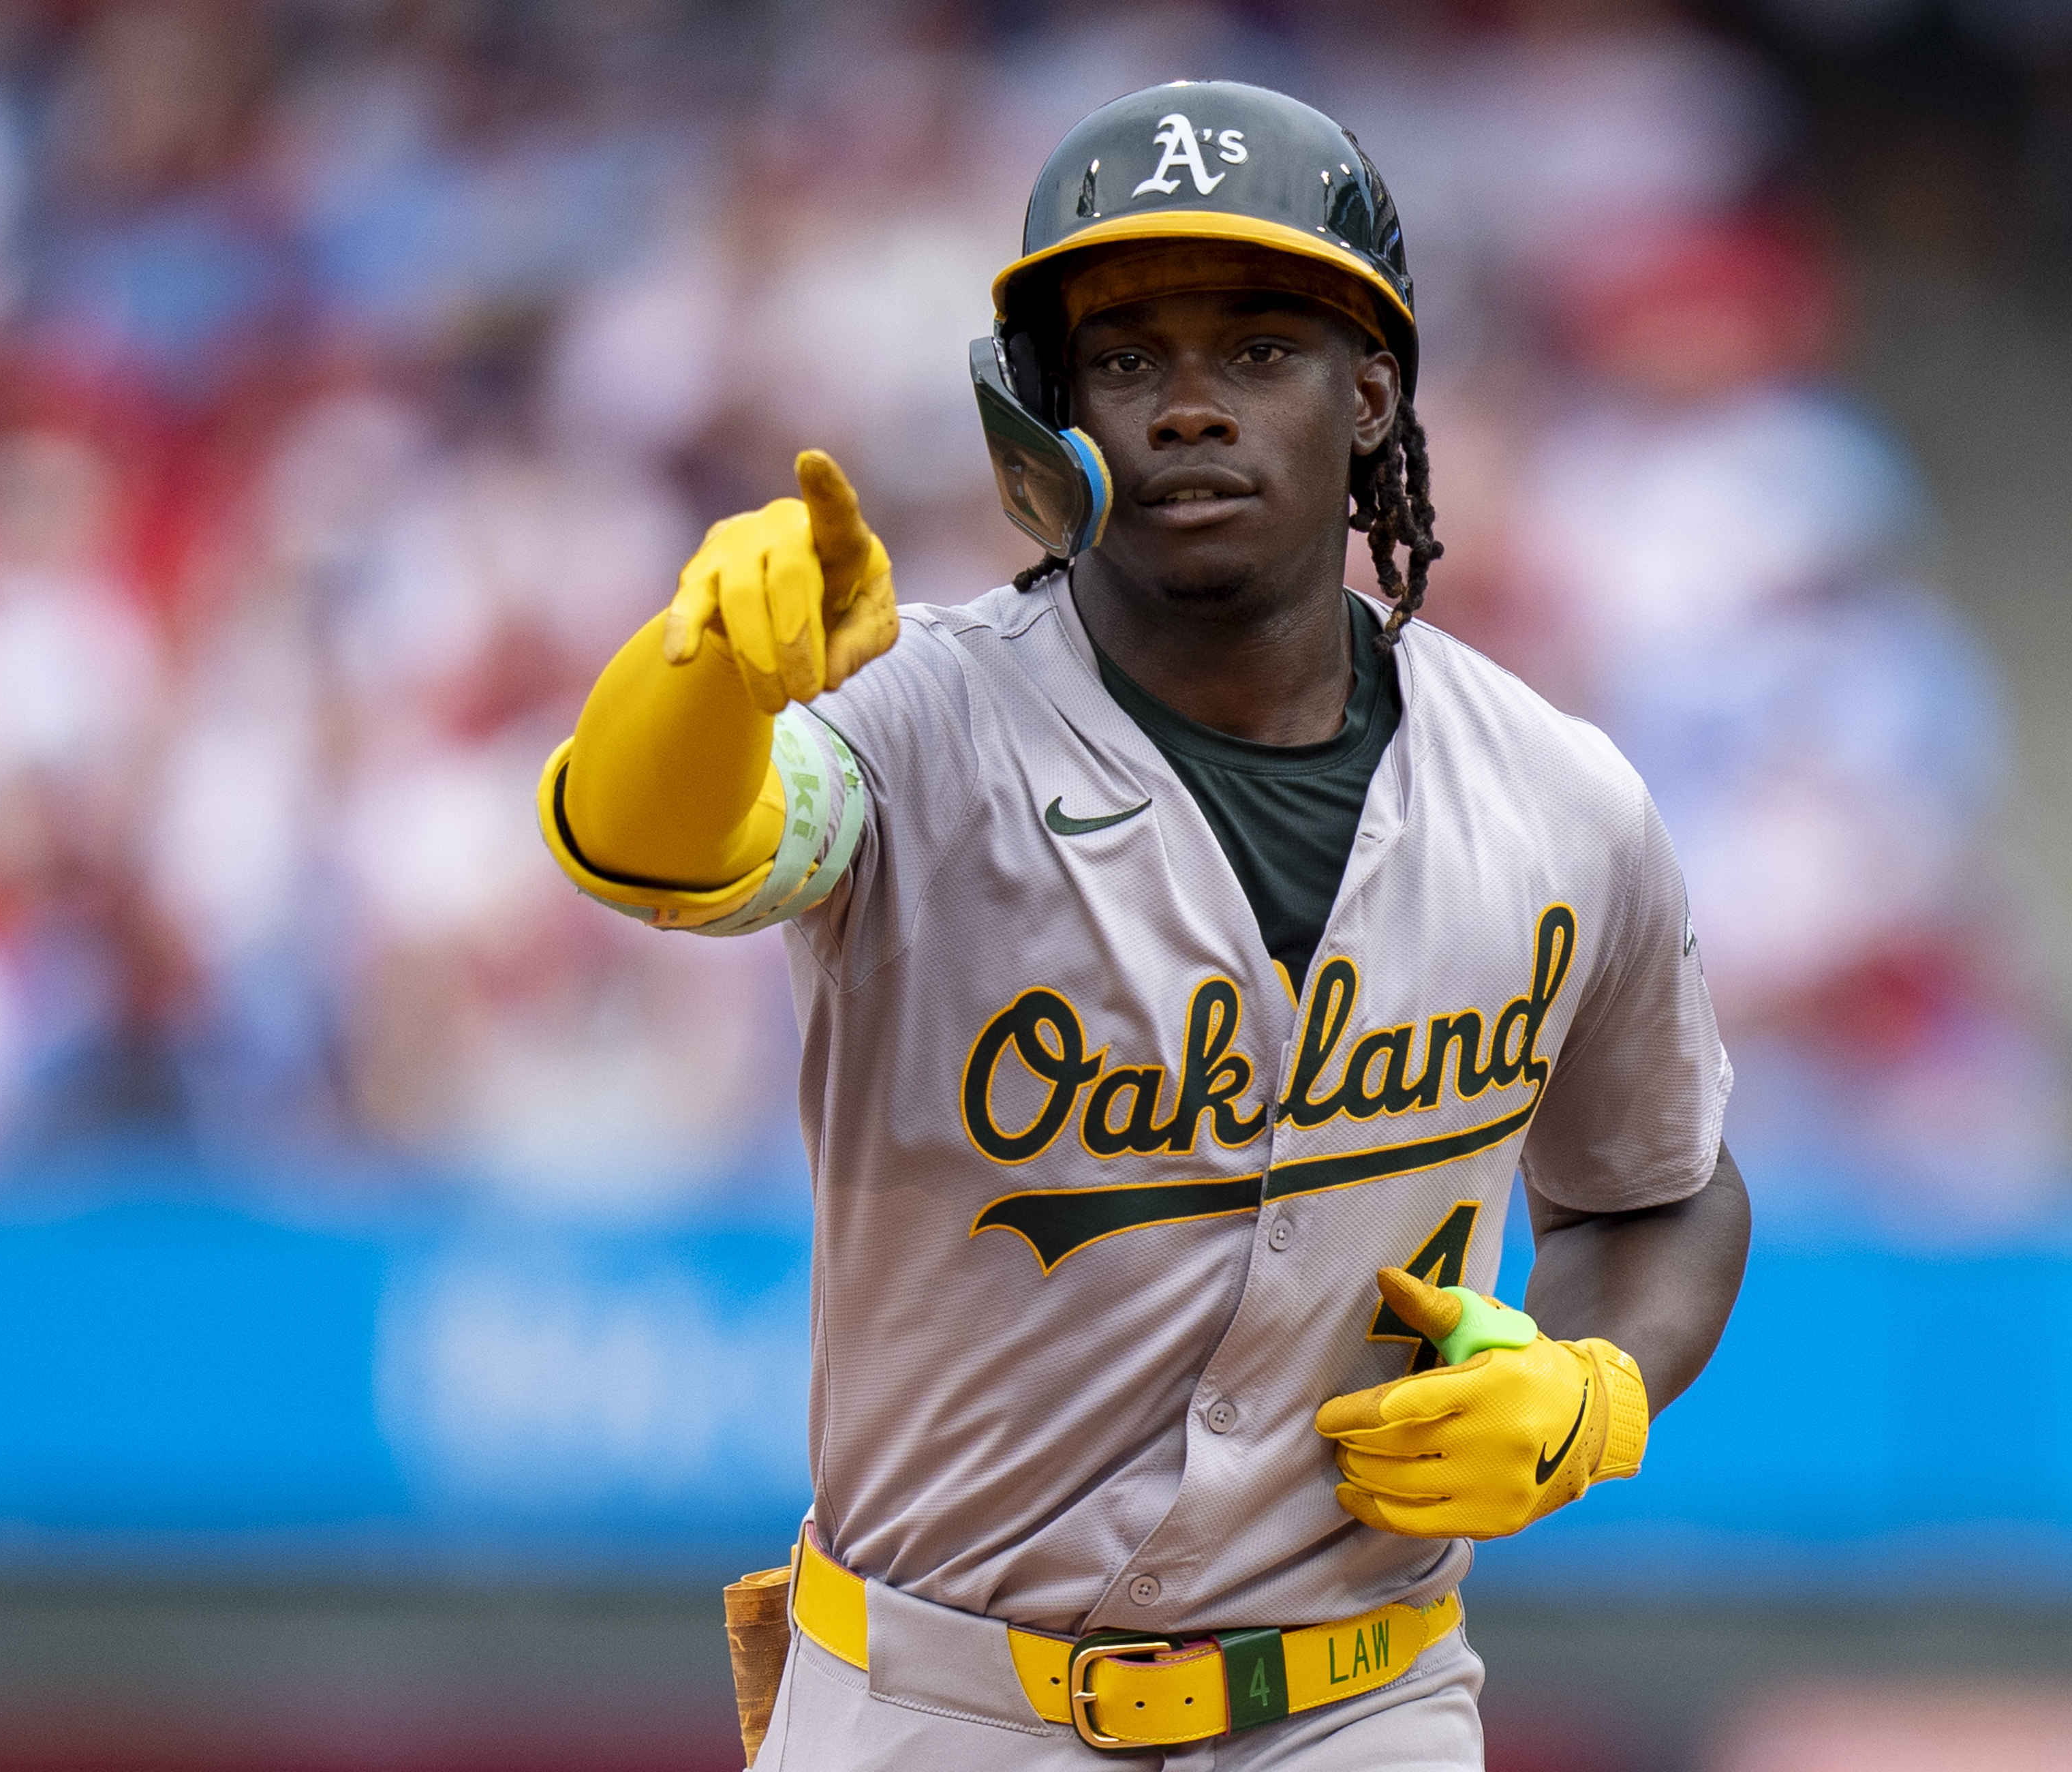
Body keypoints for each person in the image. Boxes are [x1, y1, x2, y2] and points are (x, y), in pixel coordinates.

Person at [538, 80, 1749, 1771]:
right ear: (1048, 416)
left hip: (1361, 1700)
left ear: (1373, 389)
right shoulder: (919, 723)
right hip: (937, 1701)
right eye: (1125, 358)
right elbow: (654, 846)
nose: (1188, 406)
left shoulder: (1562, 795)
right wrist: (702, 673)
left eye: (1259, 349)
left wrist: (1596, 1385)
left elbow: (1663, 1188)